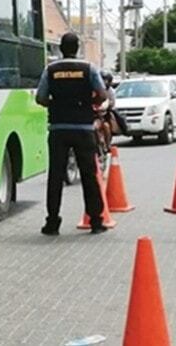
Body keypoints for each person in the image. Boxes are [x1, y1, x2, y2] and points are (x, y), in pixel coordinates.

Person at [35, 32, 108, 235]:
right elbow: (102, 95)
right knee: (89, 175)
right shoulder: (89, 68)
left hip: (58, 129)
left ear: (60, 48)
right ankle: (96, 221)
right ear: (77, 48)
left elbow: (40, 98)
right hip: (84, 128)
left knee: (56, 176)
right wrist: (88, 104)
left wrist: (56, 104)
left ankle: (52, 222)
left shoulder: (51, 70)